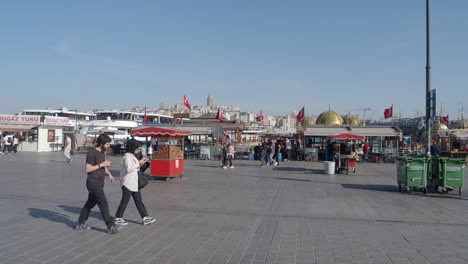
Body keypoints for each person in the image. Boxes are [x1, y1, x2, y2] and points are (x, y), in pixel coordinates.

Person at [74, 134, 120, 234]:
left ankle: (80, 223)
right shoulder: (91, 153)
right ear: (102, 143)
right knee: (103, 203)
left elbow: (103, 167)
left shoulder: (102, 153)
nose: (109, 146)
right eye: (107, 144)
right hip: (93, 182)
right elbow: (87, 169)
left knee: (90, 203)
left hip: (99, 182)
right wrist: (102, 164)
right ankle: (110, 226)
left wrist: (109, 174)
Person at [114, 139, 156, 226]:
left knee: (138, 201)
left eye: (140, 149)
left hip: (134, 183)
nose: (139, 151)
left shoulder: (132, 156)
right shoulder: (127, 156)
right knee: (125, 201)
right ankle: (118, 217)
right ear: (132, 147)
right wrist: (139, 162)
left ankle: (145, 217)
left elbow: (135, 168)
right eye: (138, 149)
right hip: (127, 183)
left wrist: (144, 164)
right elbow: (129, 168)